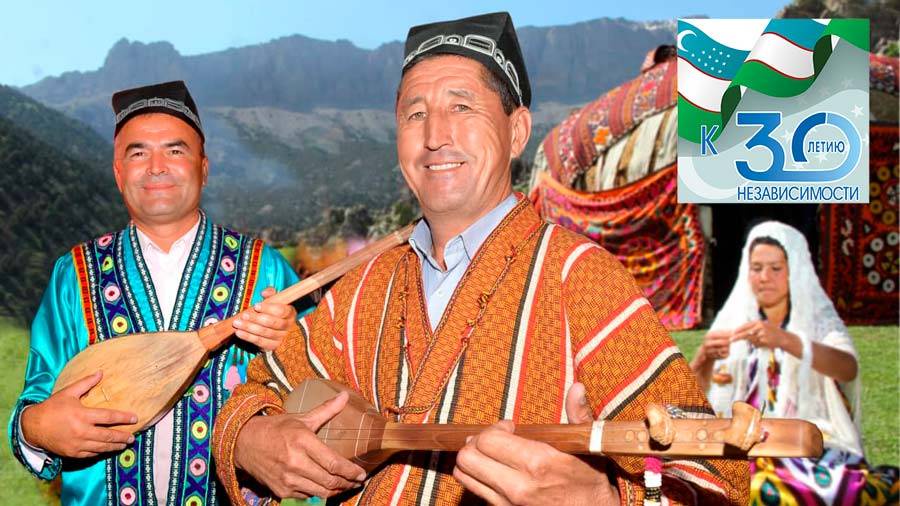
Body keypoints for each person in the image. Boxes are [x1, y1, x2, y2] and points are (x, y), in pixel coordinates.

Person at [212, 12, 748, 505]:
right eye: (414, 114)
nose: (434, 136)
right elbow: (259, 389)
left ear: (517, 132)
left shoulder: (580, 278)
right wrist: (253, 438)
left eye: (461, 107)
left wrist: (605, 499)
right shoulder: (362, 288)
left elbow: (714, 475)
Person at [8, 80, 307, 505]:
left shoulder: (267, 271)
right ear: (118, 173)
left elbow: (323, 396)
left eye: (175, 150)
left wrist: (294, 349)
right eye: (137, 153)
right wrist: (37, 429)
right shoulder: (73, 275)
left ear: (204, 168)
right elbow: (35, 399)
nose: (156, 167)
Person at [690, 221, 897, 505]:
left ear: (794, 271)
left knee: (768, 487)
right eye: (756, 268)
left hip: (810, 444)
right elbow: (692, 398)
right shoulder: (734, 323)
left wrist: (787, 341)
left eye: (775, 268)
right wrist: (704, 358)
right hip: (742, 446)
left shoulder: (818, 323)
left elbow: (848, 368)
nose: (764, 278)